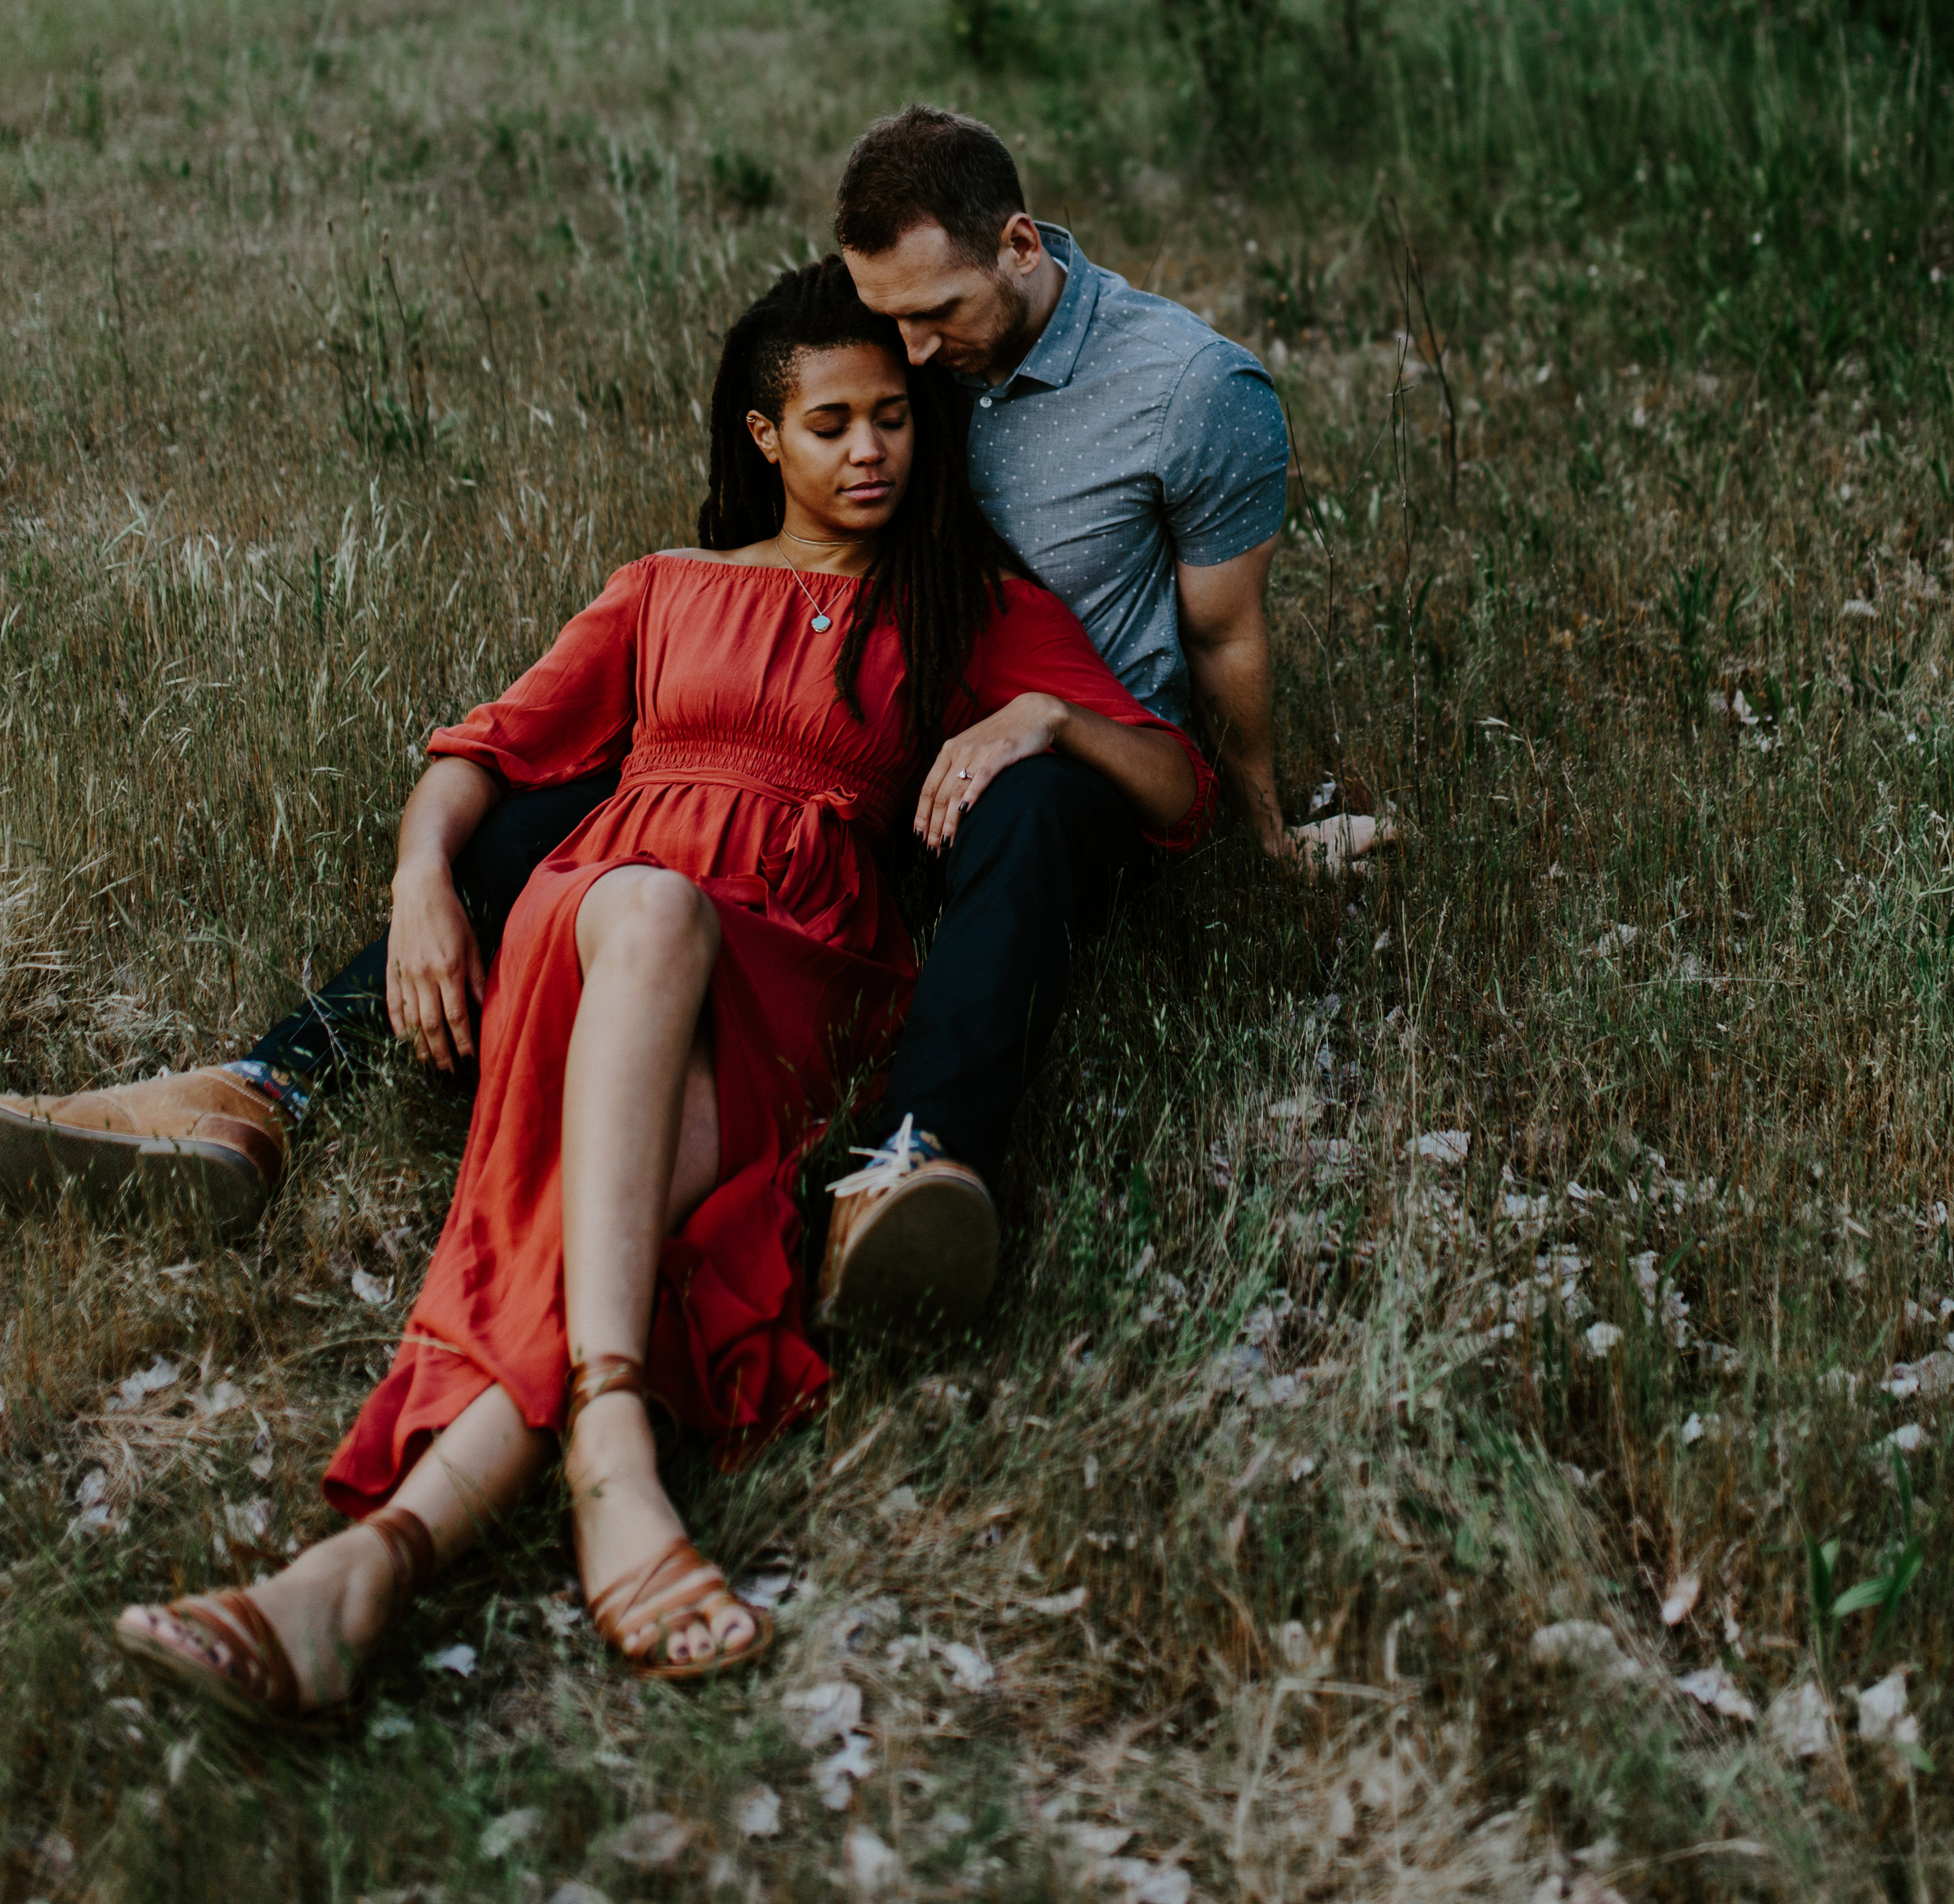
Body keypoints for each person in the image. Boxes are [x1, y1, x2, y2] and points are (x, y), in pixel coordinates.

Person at [1, 107, 1359, 1315]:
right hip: (851, 744)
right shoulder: (885, 389)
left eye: (930, 329)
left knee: (1030, 795)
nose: (910, 362)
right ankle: (270, 1086)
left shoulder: (1184, 396)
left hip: (1037, 753)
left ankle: (918, 1157)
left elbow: (1223, 634)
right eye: (884, 345)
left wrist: (1257, 825)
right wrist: (428, 872)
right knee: (591, 799)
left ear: (1018, 245)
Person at [114, 259, 1205, 1724]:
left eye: (895, 417)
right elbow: (483, 752)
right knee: (641, 904)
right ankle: (609, 1448)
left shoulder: (960, 603)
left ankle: (359, 1569)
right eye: (831, 423)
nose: (872, 450)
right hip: (604, 939)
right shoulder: (663, 590)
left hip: (795, 972)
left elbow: (1173, 786)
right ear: (766, 440)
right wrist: (422, 883)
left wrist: (1047, 714)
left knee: (589, 1223)